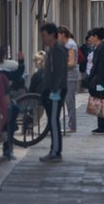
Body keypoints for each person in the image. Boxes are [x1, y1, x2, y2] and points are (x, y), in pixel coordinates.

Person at [39, 23, 68, 163]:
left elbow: (59, 72)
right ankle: (53, 150)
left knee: (54, 121)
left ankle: (56, 151)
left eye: (44, 35)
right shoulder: (51, 49)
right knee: (52, 120)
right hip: (52, 90)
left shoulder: (58, 50)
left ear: (51, 35)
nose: (42, 38)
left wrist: (54, 89)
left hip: (57, 90)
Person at [87, 27, 104, 134]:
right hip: (98, 80)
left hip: (100, 81)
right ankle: (101, 126)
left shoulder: (102, 48)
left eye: (91, 37)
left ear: (96, 37)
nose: (90, 39)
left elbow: (100, 67)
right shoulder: (99, 47)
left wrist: (98, 83)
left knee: (101, 102)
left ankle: (103, 127)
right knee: (99, 102)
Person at [58, 26, 79, 133]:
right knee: (68, 100)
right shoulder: (67, 44)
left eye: (58, 35)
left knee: (69, 100)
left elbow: (71, 62)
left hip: (70, 76)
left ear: (62, 34)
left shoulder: (70, 44)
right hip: (67, 75)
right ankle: (71, 125)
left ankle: (72, 125)